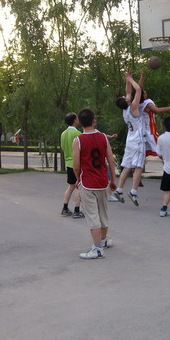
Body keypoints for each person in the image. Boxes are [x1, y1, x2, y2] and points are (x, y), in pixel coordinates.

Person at [73, 108, 117, 259]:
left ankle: (97, 248)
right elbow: (110, 160)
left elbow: (76, 165)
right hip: (102, 181)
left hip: (87, 182)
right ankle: (103, 240)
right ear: (93, 121)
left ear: (80, 122)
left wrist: (78, 179)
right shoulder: (103, 137)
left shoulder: (78, 140)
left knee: (92, 215)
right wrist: (113, 180)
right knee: (103, 212)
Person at [113, 71, 145, 206]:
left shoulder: (125, 110)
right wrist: (131, 80)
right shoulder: (133, 107)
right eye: (125, 97)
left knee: (127, 166)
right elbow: (138, 90)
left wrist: (127, 79)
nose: (126, 96)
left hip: (130, 140)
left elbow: (128, 92)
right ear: (126, 101)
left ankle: (119, 190)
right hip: (138, 141)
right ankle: (133, 191)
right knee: (138, 166)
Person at [137, 68, 170, 156]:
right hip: (151, 131)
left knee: (142, 154)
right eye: (144, 92)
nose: (145, 92)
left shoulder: (137, 103)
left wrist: (142, 75)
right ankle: (169, 165)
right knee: (163, 152)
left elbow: (139, 89)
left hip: (142, 132)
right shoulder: (147, 103)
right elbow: (158, 110)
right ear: (143, 95)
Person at [60, 112, 84, 218]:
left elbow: (63, 147)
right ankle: (77, 210)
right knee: (78, 187)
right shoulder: (78, 133)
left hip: (68, 162)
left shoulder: (63, 133)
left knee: (71, 186)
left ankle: (65, 207)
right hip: (77, 163)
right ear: (74, 120)